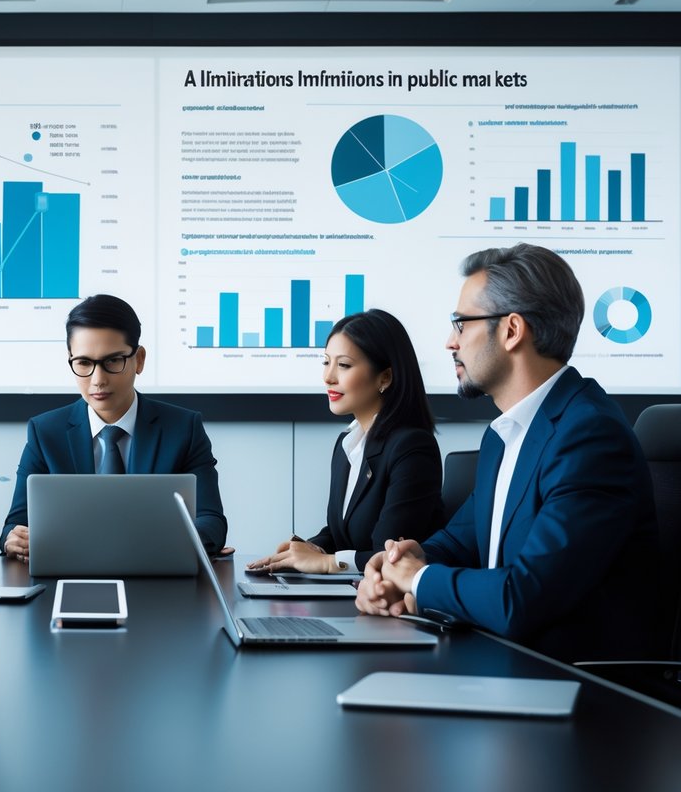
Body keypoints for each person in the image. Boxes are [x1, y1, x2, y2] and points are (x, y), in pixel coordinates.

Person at [356, 244, 657, 662]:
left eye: (461, 324)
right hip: (501, 662)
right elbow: (459, 542)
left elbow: (523, 597)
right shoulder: (504, 435)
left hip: (573, 684)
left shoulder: (590, 436)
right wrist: (396, 565)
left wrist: (419, 580)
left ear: (512, 330)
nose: (449, 342)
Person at [0, 294, 227, 560]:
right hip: (68, 574)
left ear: (139, 359)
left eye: (112, 361)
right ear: (71, 360)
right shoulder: (45, 432)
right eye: (84, 362)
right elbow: (14, 525)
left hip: (156, 573)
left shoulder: (183, 429)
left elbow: (211, 521)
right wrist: (13, 539)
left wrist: (165, 543)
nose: (98, 380)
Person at [247, 309, 443, 575]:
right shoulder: (347, 444)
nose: (328, 377)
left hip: (389, 596)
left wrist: (327, 562)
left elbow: (390, 556)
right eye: (326, 362)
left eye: (344, 365)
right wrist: (306, 550)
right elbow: (340, 532)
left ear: (385, 377)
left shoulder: (412, 447)